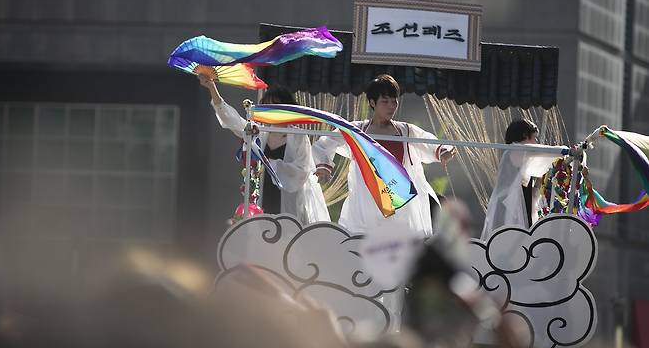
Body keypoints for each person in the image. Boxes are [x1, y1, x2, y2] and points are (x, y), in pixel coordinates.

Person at [313, 74, 455, 238]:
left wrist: (443, 151)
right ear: (373, 103)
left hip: (399, 204)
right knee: (359, 248)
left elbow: (429, 142)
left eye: (394, 101)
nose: (391, 106)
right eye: (385, 101)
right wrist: (323, 165)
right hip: (366, 201)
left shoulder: (406, 131)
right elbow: (326, 143)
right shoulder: (357, 132)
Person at [199, 73, 329, 224]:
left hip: (288, 201)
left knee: (287, 238)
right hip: (262, 196)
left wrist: (272, 165)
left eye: (276, 106)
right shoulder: (259, 131)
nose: (272, 111)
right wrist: (212, 88)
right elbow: (232, 120)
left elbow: (302, 171)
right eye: (268, 106)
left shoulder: (298, 136)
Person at [480, 118, 568, 242]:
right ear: (524, 136)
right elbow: (543, 151)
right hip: (508, 205)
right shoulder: (515, 150)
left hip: (515, 202)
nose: (535, 141)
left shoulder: (518, 153)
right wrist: (565, 151)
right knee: (508, 241)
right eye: (534, 137)